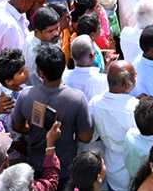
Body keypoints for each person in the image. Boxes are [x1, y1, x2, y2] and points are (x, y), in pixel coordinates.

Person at [10, 42, 92, 183]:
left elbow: (17, 127)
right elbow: (86, 137)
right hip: (64, 168)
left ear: (40, 72)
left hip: (34, 167)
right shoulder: (77, 99)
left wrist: (35, 128)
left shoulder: (25, 95)